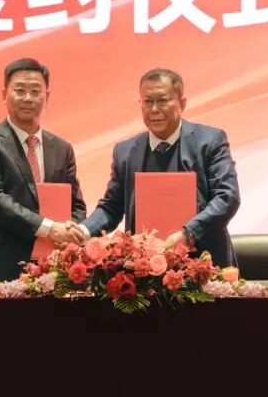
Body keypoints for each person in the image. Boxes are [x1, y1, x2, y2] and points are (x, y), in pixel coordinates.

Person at [78, 68, 240, 266]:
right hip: (143, 268)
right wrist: (83, 231)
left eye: (162, 100)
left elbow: (227, 197)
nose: (154, 109)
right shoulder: (125, 151)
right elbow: (111, 207)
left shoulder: (210, 141)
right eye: (147, 101)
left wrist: (188, 234)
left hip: (205, 263)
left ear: (182, 104)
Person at [0, 58, 86, 296]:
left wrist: (71, 229)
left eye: (36, 91)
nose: (28, 98)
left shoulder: (61, 148)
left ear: (47, 97)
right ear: (4, 95)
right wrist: (49, 228)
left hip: (52, 271)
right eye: (20, 90)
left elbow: (76, 205)